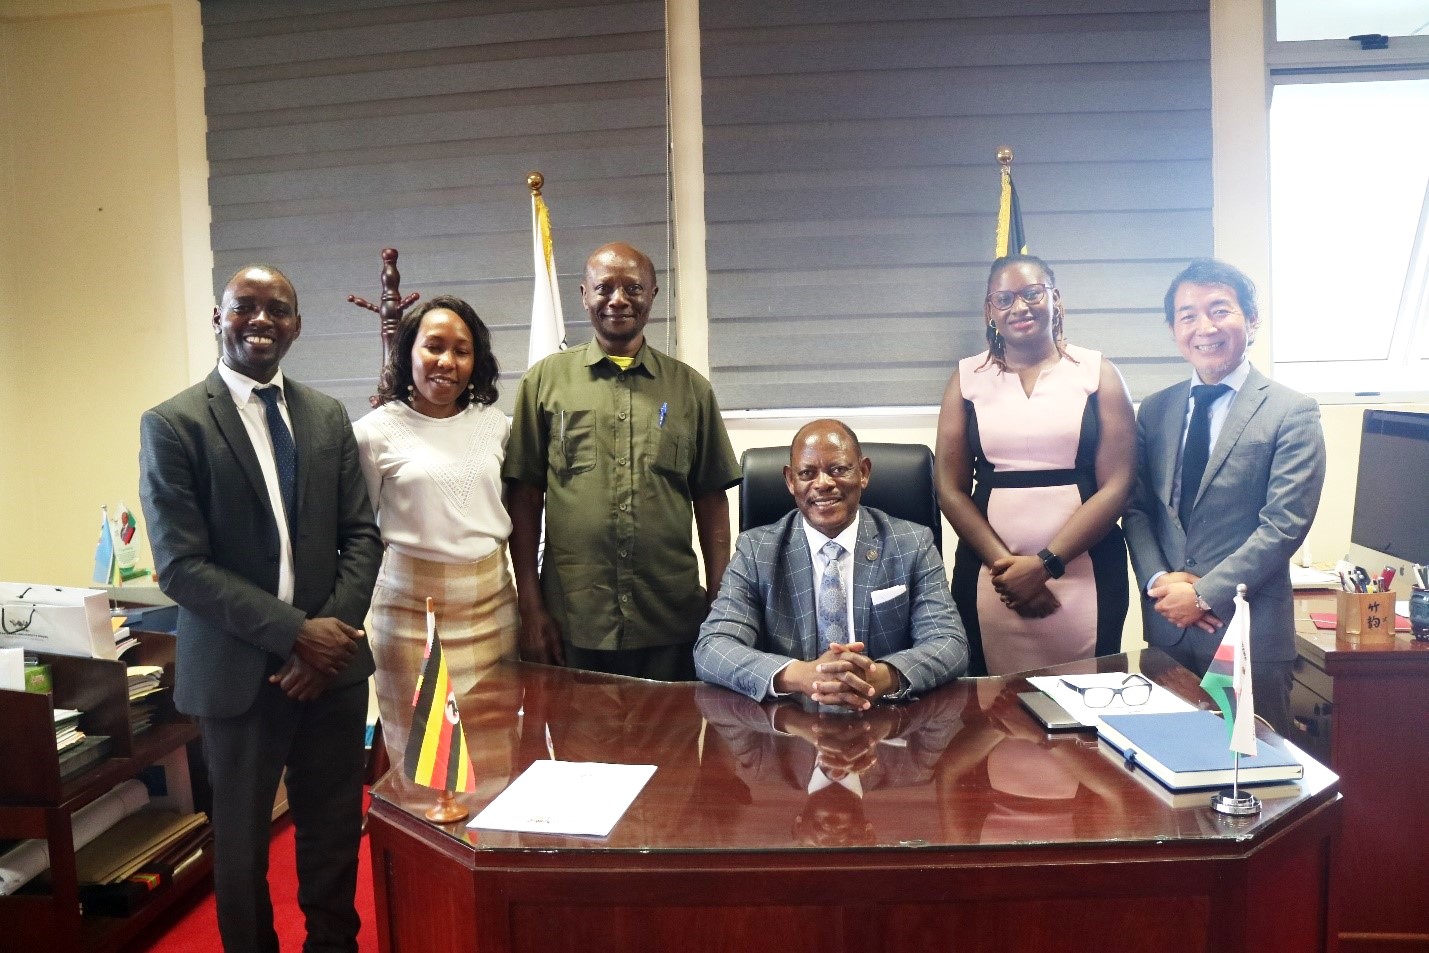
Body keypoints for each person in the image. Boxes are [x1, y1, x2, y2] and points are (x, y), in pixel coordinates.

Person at [140, 263, 382, 953]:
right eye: (245, 306)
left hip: (331, 673)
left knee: (334, 830)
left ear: (296, 325)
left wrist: (325, 644)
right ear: (219, 317)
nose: (261, 320)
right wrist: (297, 636)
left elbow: (361, 535)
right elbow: (181, 566)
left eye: (278, 309)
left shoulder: (326, 415)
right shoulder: (175, 423)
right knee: (242, 845)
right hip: (237, 673)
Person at [504, 242, 742, 680]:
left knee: (674, 747)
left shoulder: (690, 390)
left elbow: (712, 502)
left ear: (652, 293)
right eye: (604, 288)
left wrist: (720, 598)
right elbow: (523, 499)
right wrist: (530, 606)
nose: (618, 300)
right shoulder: (544, 382)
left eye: (632, 287)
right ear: (583, 295)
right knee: (579, 748)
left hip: (671, 620)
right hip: (572, 621)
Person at [1123, 259, 1325, 735]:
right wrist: (1160, 584)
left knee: (1254, 773)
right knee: (1169, 762)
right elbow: (1136, 509)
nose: (1204, 327)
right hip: (1168, 627)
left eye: (1220, 310)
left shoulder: (1291, 411)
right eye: (1187, 315)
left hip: (1246, 628)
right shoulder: (1156, 409)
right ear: (1173, 328)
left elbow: (1284, 525)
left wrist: (1203, 593)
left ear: (1252, 320)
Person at [935, 255, 1135, 676]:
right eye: (1004, 299)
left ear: (1055, 300)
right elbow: (949, 489)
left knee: (1086, 709)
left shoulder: (1099, 374)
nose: (1019, 308)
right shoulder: (966, 378)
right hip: (993, 580)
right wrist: (1008, 572)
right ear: (990, 310)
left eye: (1032, 294)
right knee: (991, 712)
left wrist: (1046, 565)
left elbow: (1117, 485)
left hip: (1086, 573)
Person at [354, 295, 518, 778]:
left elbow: (508, 509)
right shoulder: (372, 434)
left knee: (496, 757)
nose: (447, 362)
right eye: (434, 347)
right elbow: (359, 531)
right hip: (409, 617)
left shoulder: (497, 427)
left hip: (492, 610)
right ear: (408, 353)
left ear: (476, 361)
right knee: (426, 767)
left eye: (461, 351)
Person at [695, 419, 968, 707]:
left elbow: (950, 643)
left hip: (888, 721)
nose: (823, 483)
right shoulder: (756, 551)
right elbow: (713, 648)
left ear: (863, 473)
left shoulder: (912, 543)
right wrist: (800, 675)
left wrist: (883, 676)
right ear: (790, 480)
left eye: (838, 469)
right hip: (790, 729)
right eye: (807, 473)